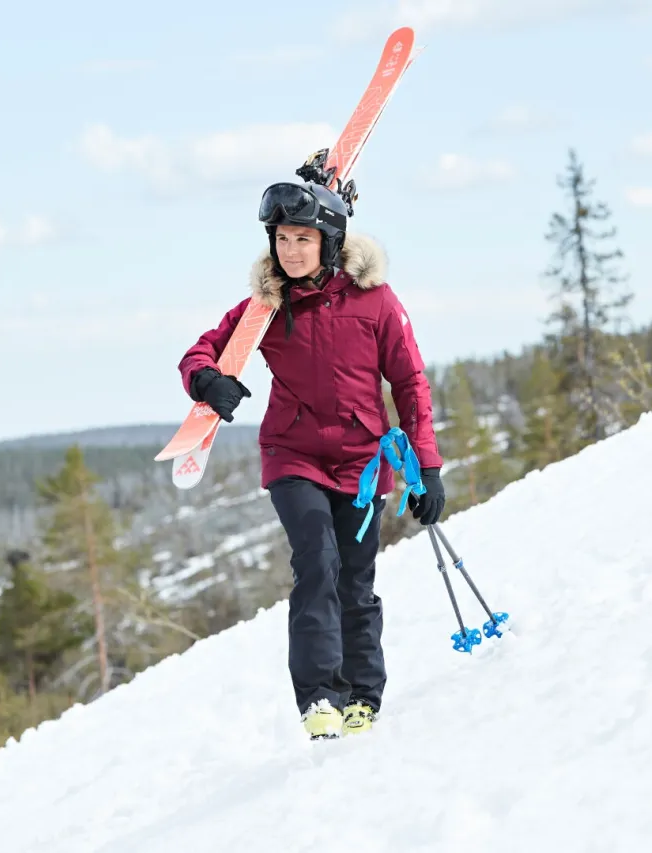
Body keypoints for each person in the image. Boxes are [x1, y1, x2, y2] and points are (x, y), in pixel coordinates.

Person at [177, 178, 445, 740]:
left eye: (302, 238)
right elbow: (204, 350)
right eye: (281, 239)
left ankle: (361, 696)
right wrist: (204, 379)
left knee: (355, 578)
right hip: (293, 454)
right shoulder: (265, 308)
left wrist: (428, 467)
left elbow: (410, 383)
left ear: (328, 239)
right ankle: (320, 696)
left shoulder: (376, 301)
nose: (290, 250)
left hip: (362, 461)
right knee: (317, 562)